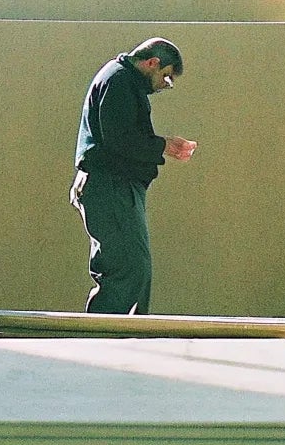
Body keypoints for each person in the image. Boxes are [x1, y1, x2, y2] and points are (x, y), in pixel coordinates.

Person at [69, 37, 196, 314]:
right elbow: (121, 140)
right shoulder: (120, 81)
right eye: (166, 77)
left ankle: (123, 339)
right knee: (128, 270)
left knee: (133, 269)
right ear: (152, 63)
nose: (165, 85)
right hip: (111, 185)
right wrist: (163, 145)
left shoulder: (118, 78)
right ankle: (105, 344)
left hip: (111, 186)